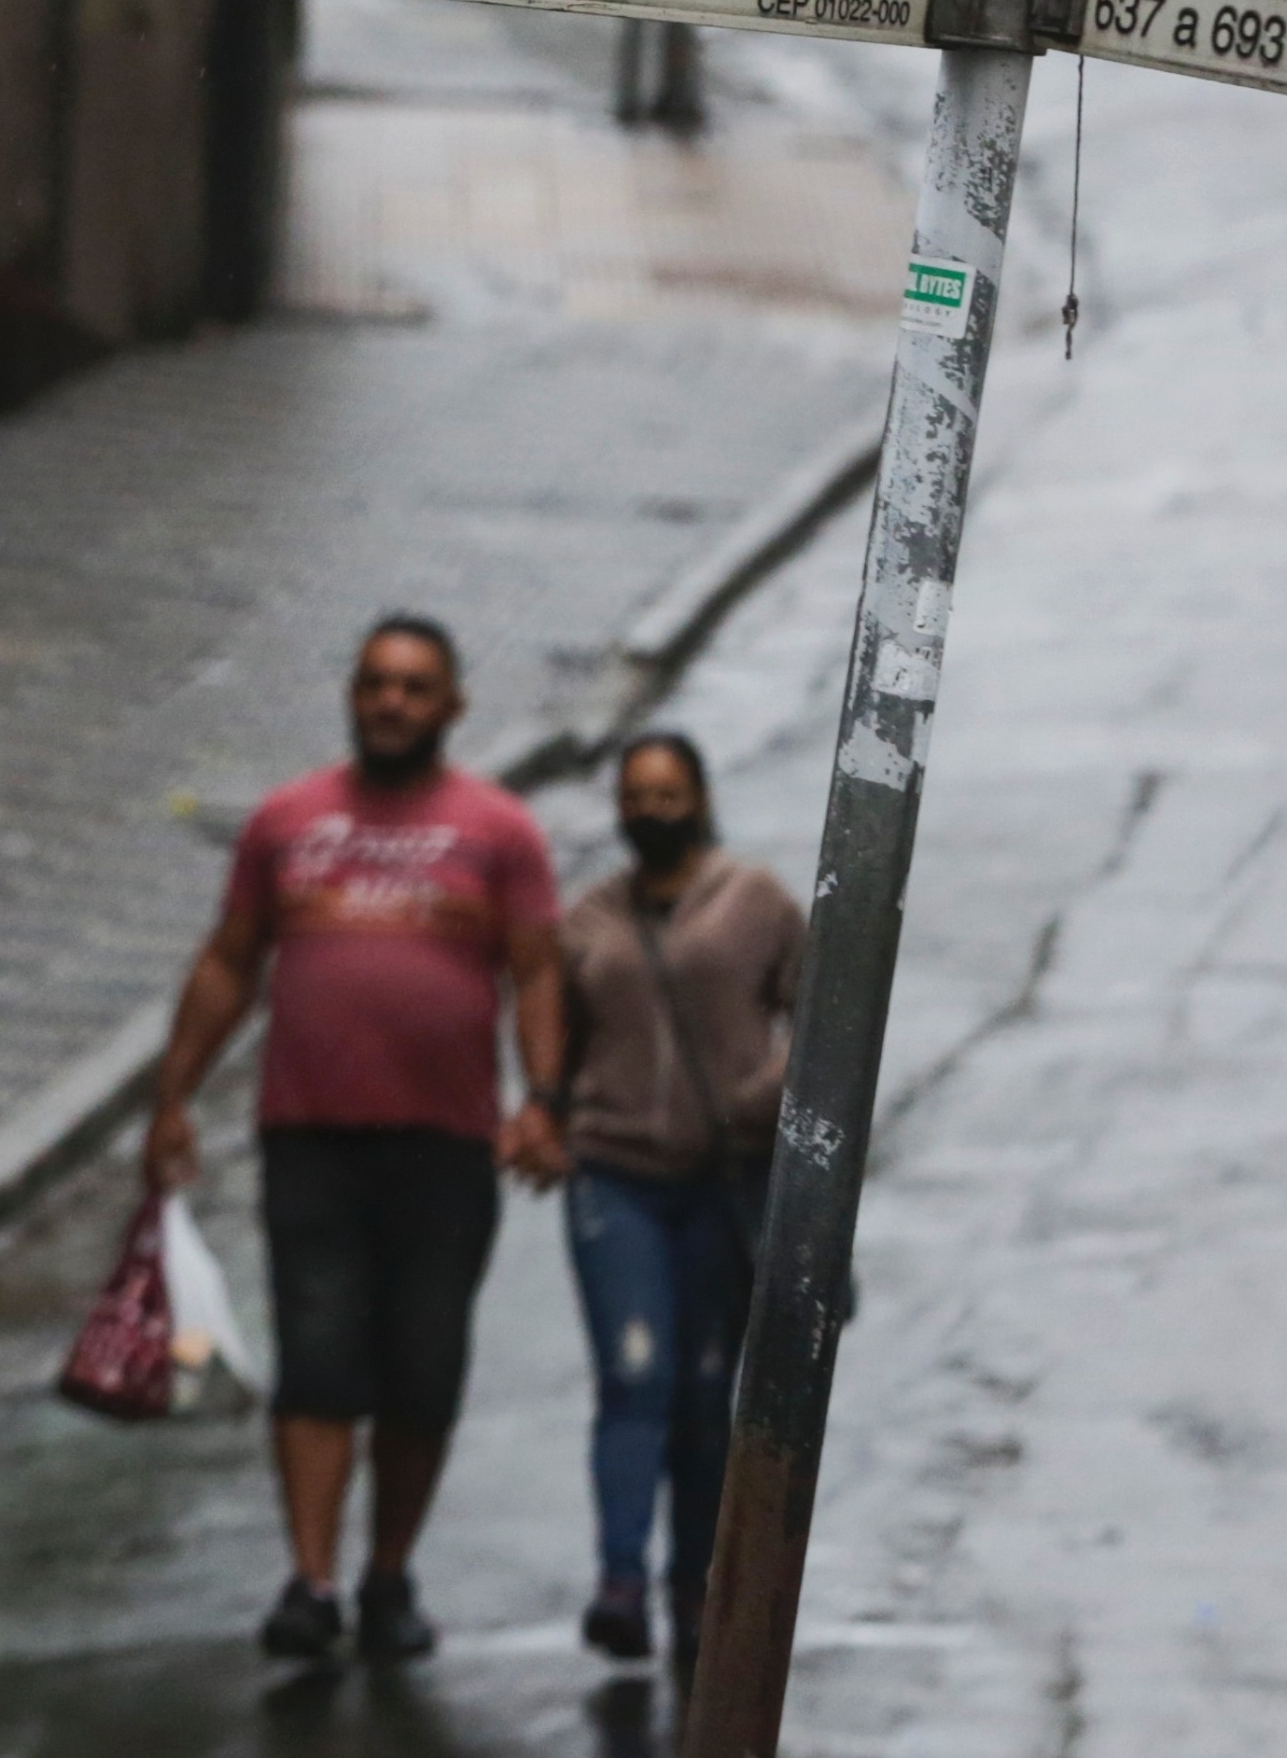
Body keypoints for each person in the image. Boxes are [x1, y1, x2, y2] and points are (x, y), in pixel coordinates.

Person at [144, 617, 566, 1666]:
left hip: (445, 1146)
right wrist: (172, 1096)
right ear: (352, 697)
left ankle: (389, 1577)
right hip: (311, 1140)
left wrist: (543, 1100)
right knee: (319, 1359)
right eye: (376, 684)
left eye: (416, 687)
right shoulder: (288, 822)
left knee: (422, 1371)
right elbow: (231, 961)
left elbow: (539, 971)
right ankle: (312, 1582)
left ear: (453, 707)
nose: (392, 703)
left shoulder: (499, 832)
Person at [555, 731, 804, 1671]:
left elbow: (821, 1011)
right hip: (616, 1177)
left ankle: (695, 1590)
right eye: (636, 792)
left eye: (669, 791)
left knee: (706, 1396)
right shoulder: (585, 921)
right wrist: (552, 1114)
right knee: (634, 1374)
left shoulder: (756, 902)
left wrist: (767, 1091)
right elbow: (551, 1038)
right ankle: (620, 1579)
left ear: (700, 796)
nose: (652, 807)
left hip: (722, 1183)